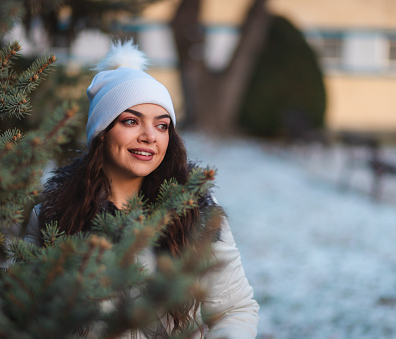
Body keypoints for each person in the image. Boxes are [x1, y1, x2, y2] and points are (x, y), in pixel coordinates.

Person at [24, 40, 259, 338]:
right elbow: (29, 319)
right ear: (102, 133)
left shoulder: (196, 212)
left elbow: (234, 310)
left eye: (162, 126)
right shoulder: (54, 217)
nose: (150, 136)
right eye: (132, 121)